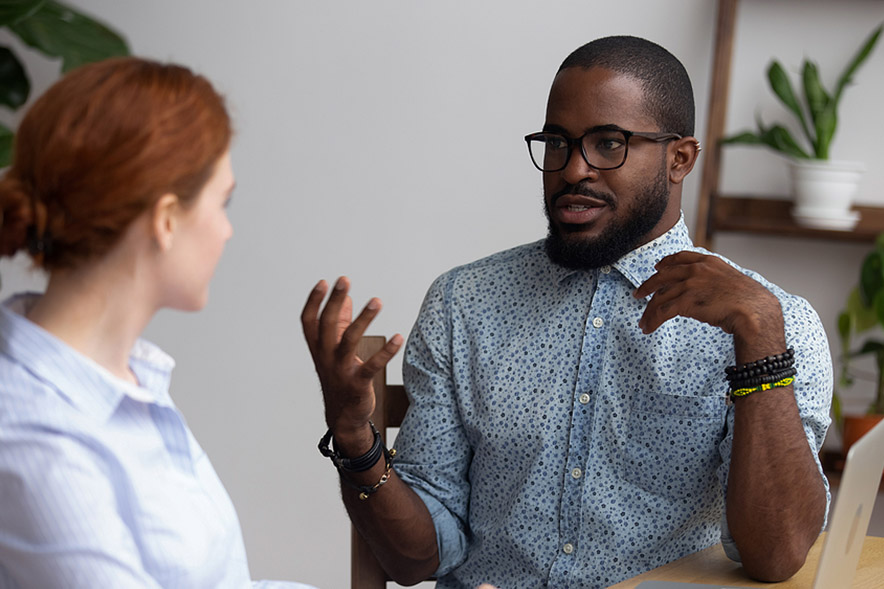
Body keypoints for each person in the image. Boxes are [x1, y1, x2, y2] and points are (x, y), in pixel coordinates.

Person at [302, 36, 831, 589]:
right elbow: (415, 561)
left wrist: (762, 345)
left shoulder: (773, 323)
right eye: (557, 143)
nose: (573, 169)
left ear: (679, 159)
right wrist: (354, 439)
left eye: (608, 144)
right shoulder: (464, 304)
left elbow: (775, 556)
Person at [0, 57, 316, 589]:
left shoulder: (127, 382)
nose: (227, 230)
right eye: (224, 202)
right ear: (166, 219)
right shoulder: (34, 435)